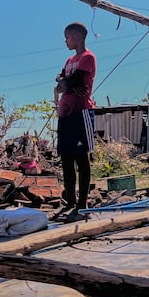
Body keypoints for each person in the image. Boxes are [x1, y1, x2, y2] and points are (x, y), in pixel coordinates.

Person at [55, 22, 96, 223]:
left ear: (78, 37)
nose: (66, 41)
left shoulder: (88, 57)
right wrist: (66, 81)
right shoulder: (70, 59)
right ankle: (70, 201)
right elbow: (62, 80)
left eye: (68, 37)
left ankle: (83, 202)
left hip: (81, 112)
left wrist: (68, 82)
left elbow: (71, 81)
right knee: (66, 159)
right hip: (65, 113)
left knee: (82, 158)